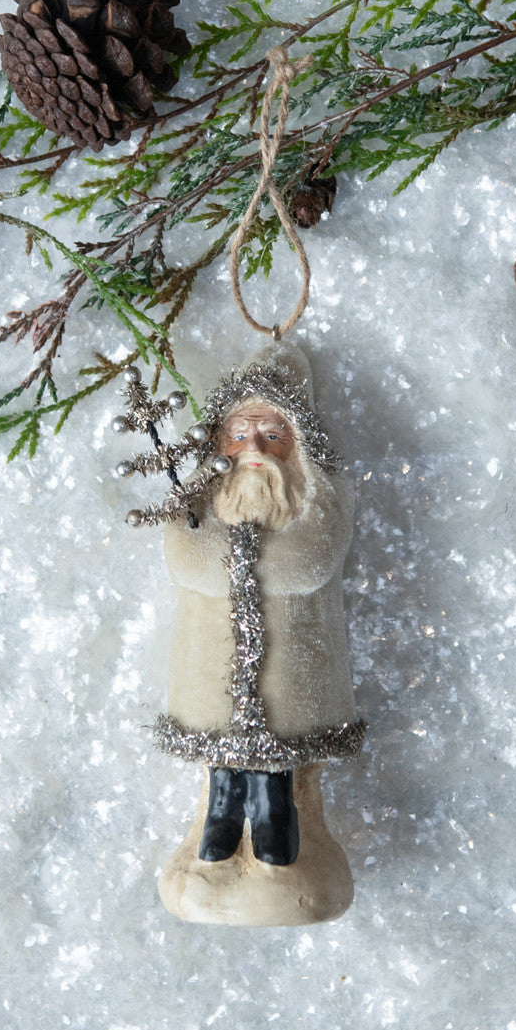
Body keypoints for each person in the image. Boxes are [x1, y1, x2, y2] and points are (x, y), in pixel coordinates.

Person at [155, 343, 364, 868]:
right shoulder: (202, 493)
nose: (255, 448)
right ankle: (222, 810)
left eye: (272, 435)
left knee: (279, 744)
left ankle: (275, 810)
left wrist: (239, 558)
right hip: (212, 656)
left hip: (292, 658)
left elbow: (310, 563)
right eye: (241, 434)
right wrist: (243, 559)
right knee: (219, 745)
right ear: (221, 438)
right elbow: (186, 559)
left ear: (296, 438)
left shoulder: (320, 496)